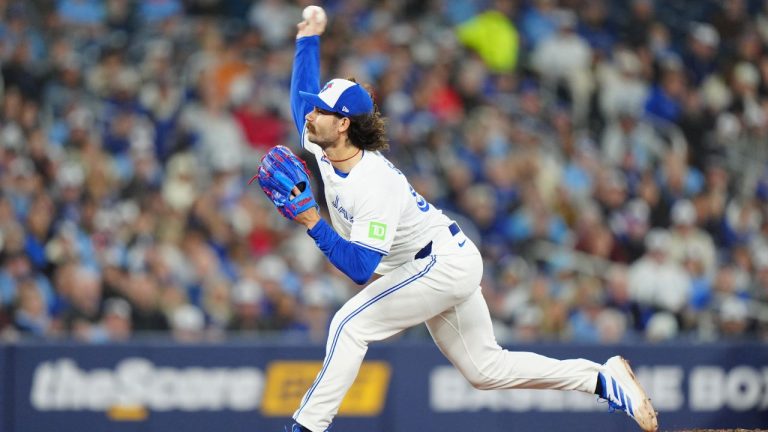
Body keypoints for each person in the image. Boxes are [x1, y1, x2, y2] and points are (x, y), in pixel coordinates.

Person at [277, 9, 658, 432]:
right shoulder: (324, 146)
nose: (309, 117)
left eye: (321, 112)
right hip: (433, 261)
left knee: (350, 325)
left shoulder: (373, 182)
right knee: (485, 369)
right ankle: (603, 380)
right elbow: (301, 97)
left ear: (344, 124)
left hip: (439, 263)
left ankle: (307, 427)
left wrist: (314, 221)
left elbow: (360, 269)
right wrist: (307, 40)